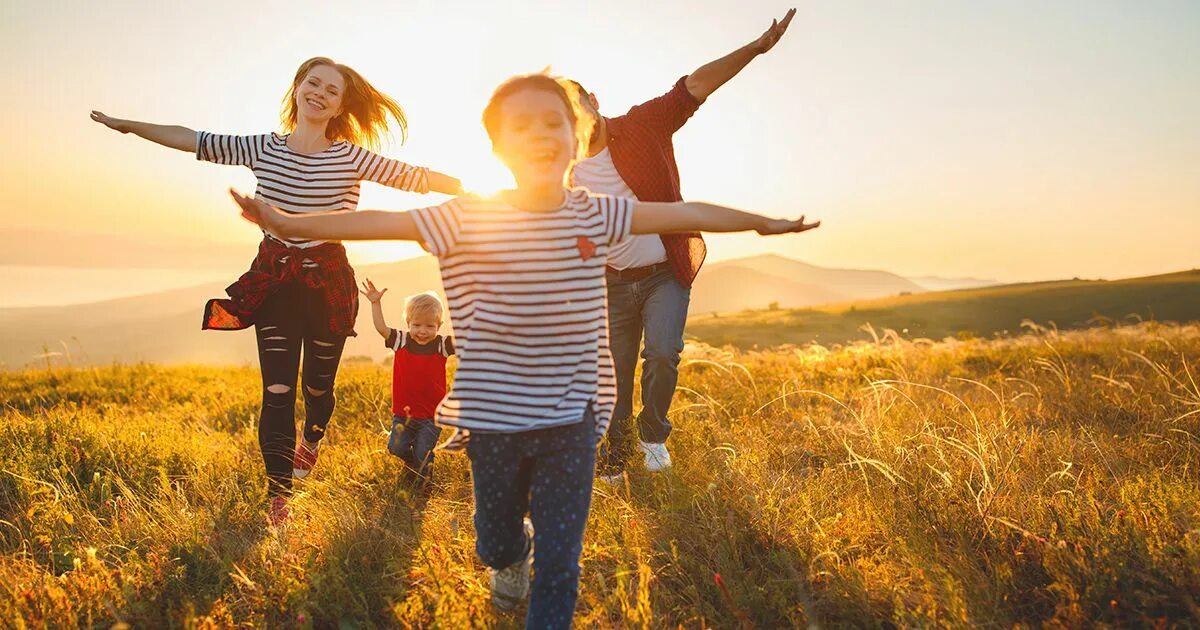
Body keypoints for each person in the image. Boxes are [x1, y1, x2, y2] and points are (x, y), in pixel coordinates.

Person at [229, 72, 818, 628]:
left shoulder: (597, 211)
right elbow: (378, 223)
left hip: (572, 418)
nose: (540, 134)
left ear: (577, 136)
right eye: (521, 126)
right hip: (495, 421)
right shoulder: (468, 216)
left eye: (553, 122)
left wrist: (759, 221)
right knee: (497, 538)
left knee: (562, 565)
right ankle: (511, 558)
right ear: (498, 148)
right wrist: (282, 216)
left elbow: (684, 212)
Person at [91, 56, 462, 526]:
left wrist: (477, 192)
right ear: (298, 88)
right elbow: (194, 140)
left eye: (332, 90)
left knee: (318, 387)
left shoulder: (349, 156)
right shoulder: (264, 148)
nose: (320, 93)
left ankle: (312, 439)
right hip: (274, 281)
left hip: (327, 284)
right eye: (314, 83)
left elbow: (414, 177)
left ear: (339, 106)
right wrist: (127, 126)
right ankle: (279, 496)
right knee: (278, 389)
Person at [567, 8, 796, 477]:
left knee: (663, 354)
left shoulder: (643, 125)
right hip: (608, 286)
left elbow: (693, 87)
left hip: (663, 274)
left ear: (593, 99)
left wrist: (754, 48)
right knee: (612, 376)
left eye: (578, 106)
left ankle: (652, 436)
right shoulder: (562, 172)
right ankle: (614, 454)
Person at [359, 279, 455, 486]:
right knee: (396, 448)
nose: (423, 331)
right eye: (417, 325)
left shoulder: (442, 345)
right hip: (403, 414)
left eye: (430, 326)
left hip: (431, 415)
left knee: (423, 452)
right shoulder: (401, 340)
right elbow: (381, 328)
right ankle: (413, 466)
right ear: (408, 323)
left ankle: (424, 486)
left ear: (439, 326)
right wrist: (375, 304)